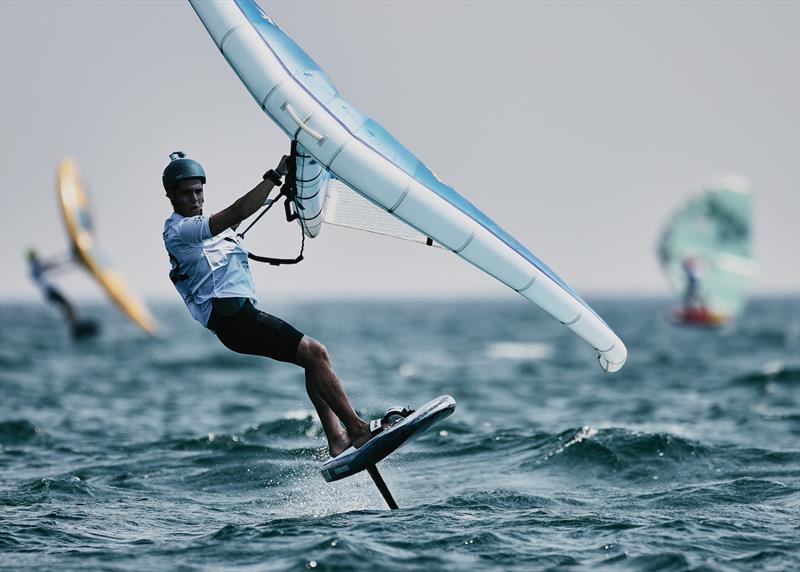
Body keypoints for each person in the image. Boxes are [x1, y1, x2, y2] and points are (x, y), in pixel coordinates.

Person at [161, 151, 385, 457]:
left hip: (240, 319)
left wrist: (289, 184)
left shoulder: (204, 230)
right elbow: (240, 209)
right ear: (171, 196)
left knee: (312, 360)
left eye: (199, 190)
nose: (195, 198)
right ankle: (357, 430)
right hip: (235, 321)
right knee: (317, 353)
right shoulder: (182, 230)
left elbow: (247, 210)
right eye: (186, 193)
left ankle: (337, 438)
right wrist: (275, 174)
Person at [26, 248, 98, 338]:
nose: (38, 258)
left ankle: (76, 326)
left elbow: (52, 265)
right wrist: (71, 259)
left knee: (67, 308)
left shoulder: (33, 268)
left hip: (49, 293)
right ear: (33, 258)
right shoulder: (36, 266)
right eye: (36, 257)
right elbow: (53, 265)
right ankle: (76, 327)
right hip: (51, 292)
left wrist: (70, 260)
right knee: (69, 307)